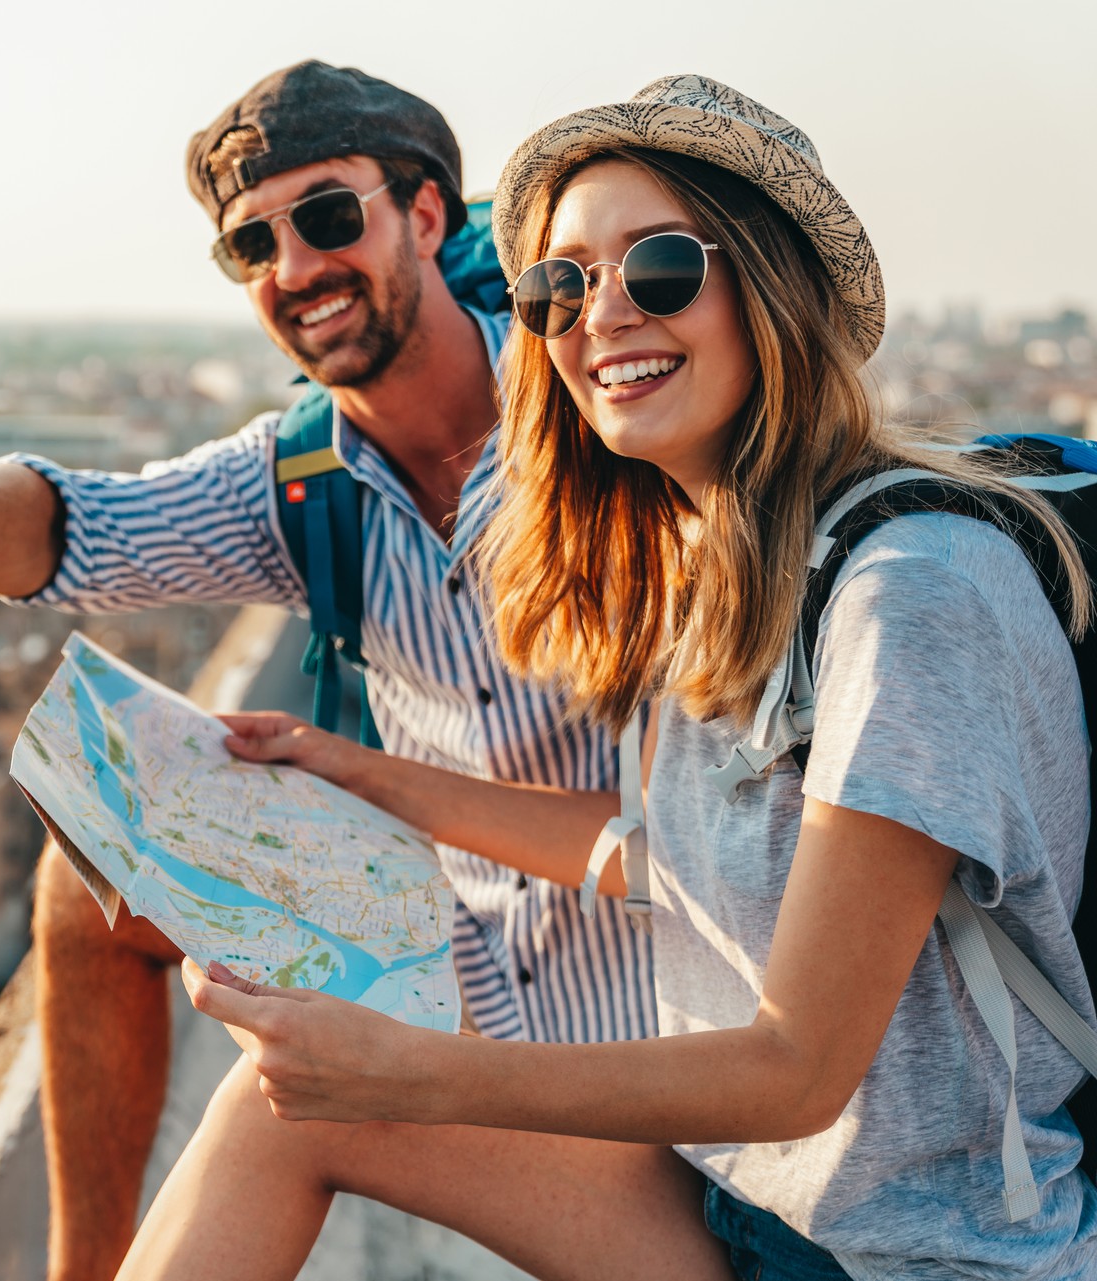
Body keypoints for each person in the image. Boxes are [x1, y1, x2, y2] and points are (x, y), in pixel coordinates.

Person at [118, 75, 1097, 1281]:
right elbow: (656, 856)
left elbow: (797, 1070)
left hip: (918, 1255)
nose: (602, 315)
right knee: (276, 1113)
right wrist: (360, 775)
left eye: (662, 269)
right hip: (744, 1210)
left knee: (331, 1098)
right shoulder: (720, 563)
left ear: (772, 286)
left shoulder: (912, 591)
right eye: (559, 286)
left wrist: (411, 1068)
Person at [0, 61, 656, 1280]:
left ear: (430, 215)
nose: (294, 269)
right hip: (451, 956)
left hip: (647, 1029)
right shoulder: (302, 478)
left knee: (267, 1123)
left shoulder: (597, 408)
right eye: (253, 244)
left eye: (330, 218)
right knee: (89, 874)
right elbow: (77, 529)